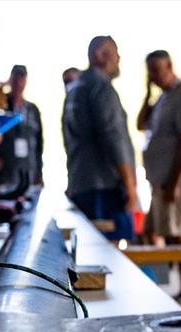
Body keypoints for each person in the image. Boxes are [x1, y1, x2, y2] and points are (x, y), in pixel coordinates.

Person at [136, 50, 181, 309]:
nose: (153, 75)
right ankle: (160, 280)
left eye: (157, 69)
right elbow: (141, 124)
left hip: (174, 181)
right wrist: (147, 93)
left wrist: (174, 182)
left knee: (177, 233)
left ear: (169, 66)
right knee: (152, 230)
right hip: (159, 181)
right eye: (149, 70)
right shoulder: (162, 97)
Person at [62, 36, 137, 241]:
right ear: (100, 55)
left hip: (82, 183)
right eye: (114, 53)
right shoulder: (100, 87)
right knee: (107, 255)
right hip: (105, 187)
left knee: (89, 251)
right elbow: (113, 136)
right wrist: (129, 183)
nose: (118, 58)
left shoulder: (76, 89)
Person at [0, 65, 44, 188]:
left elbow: (39, 143)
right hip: (3, 175)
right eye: (15, 79)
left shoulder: (32, 109)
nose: (18, 83)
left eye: (22, 79)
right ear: (10, 80)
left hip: (28, 173)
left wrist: (39, 172)